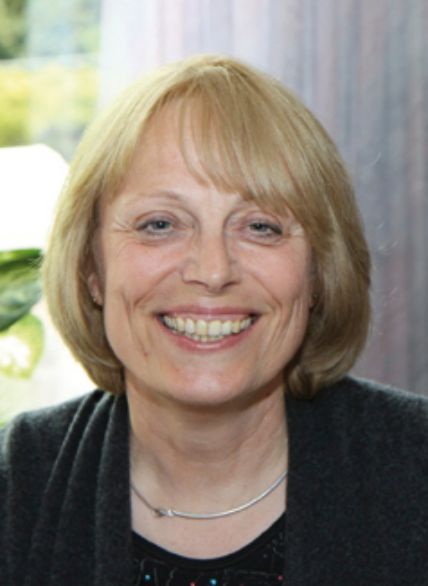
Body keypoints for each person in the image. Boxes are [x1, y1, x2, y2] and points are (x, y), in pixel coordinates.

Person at [1, 55, 427, 586]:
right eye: (160, 224)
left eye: (261, 227)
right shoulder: (15, 486)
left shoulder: (415, 469)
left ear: (319, 273)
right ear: (91, 268)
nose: (213, 271)